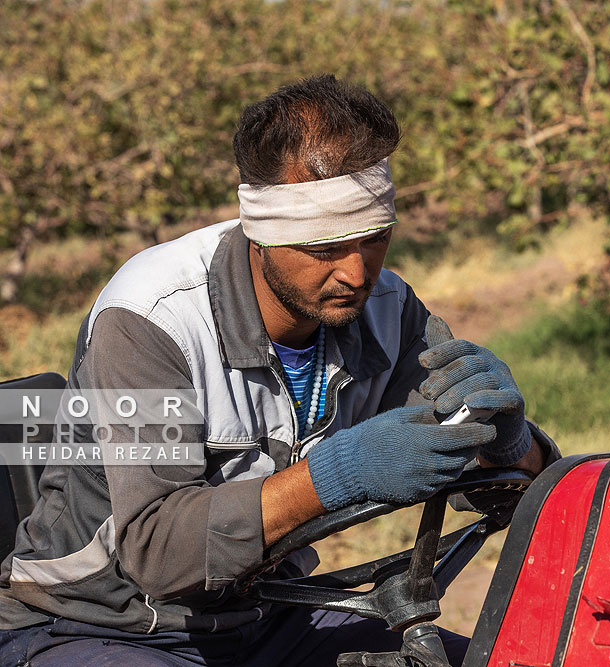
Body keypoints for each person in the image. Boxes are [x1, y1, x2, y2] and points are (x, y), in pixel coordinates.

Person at [0, 75, 556, 666]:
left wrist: (511, 443)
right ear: (263, 235)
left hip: (267, 616)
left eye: (374, 239)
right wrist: (337, 472)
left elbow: (491, 485)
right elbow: (158, 551)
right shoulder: (151, 320)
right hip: (98, 626)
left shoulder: (386, 309)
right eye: (325, 249)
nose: (355, 272)